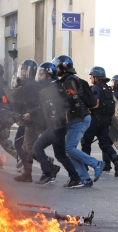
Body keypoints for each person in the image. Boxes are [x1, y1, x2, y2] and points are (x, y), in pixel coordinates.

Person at [33, 57, 85, 186]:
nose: (40, 76)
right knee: (60, 154)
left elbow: (57, 106)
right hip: (59, 125)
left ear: (49, 74)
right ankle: (75, 178)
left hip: (56, 125)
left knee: (37, 147)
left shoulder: (54, 87)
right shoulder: (54, 86)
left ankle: (47, 174)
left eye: (42, 73)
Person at [57, 57, 103, 188]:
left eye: (58, 67)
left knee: (69, 148)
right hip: (77, 118)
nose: (56, 70)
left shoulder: (71, 81)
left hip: (80, 118)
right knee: (69, 150)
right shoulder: (70, 80)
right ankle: (85, 179)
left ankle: (96, 164)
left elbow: (70, 100)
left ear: (64, 68)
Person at [80, 66, 118, 179]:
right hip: (106, 120)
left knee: (86, 141)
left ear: (96, 77)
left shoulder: (96, 88)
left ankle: (84, 166)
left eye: (91, 76)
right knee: (104, 143)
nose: (90, 78)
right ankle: (117, 162)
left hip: (95, 119)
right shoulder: (108, 88)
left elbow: (95, 104)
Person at [14, 59, 43, 183]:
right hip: (29, 119)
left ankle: (49, 167)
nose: (23, 72)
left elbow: (34, 104)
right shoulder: (28, 84)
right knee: (26, 147)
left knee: (30, 148)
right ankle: (27, 173)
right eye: (22, 69)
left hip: (32, 120)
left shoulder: (32, 85)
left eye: (25, 70)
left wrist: (29, 113)